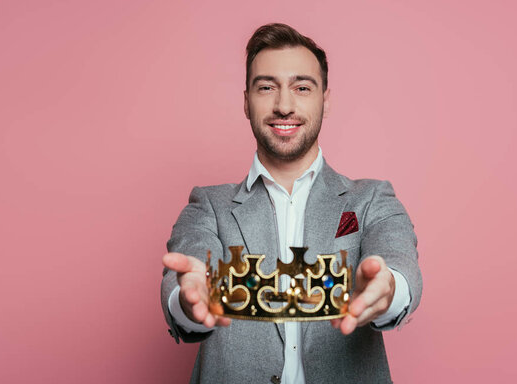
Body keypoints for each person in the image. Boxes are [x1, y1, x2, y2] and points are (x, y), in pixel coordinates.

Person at [161, 23, 422, 384]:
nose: (284, 106)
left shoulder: (372, 199)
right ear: (245, 101)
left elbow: (399, 262)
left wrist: (389, 289)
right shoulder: (207, 206)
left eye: (302, 88)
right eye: (267, 87)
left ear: (325, 101)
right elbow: (183, 278)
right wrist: (188, 300)